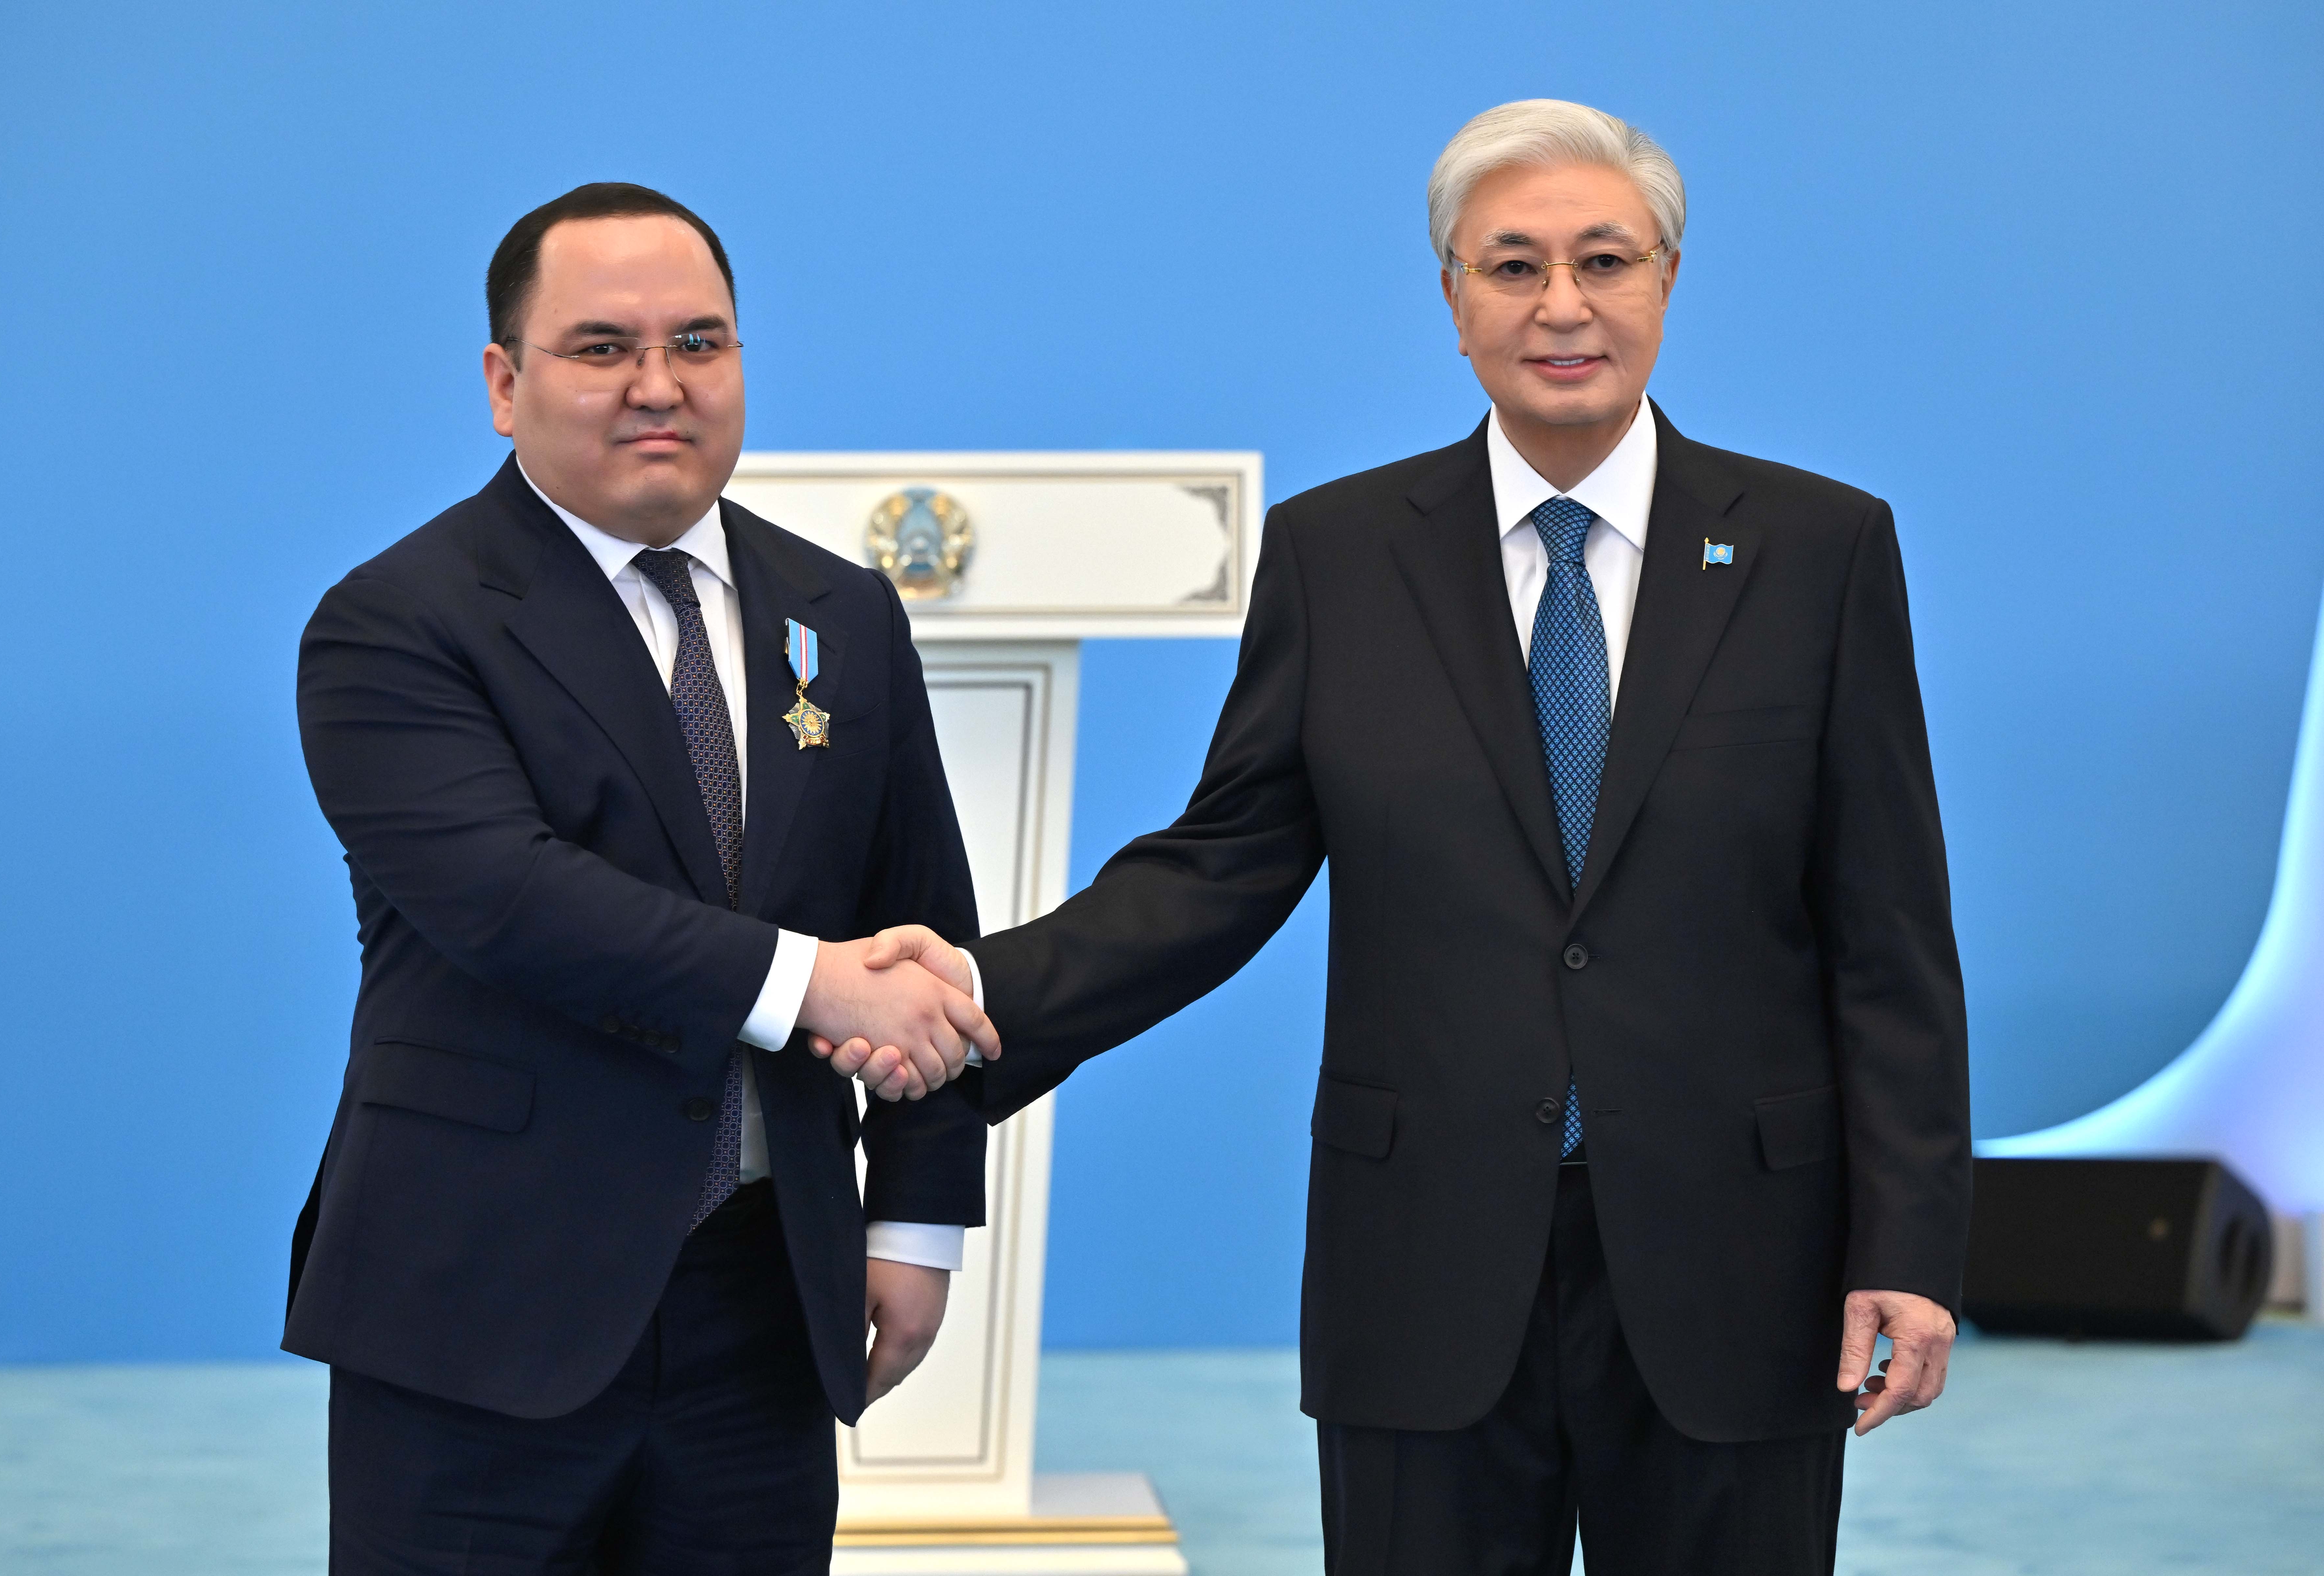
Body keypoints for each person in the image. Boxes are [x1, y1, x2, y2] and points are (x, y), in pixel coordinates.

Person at [822, 101, 1971, 1574]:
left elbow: (1888, 932)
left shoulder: (1818, 549)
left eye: (1603, 260)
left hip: (1739, 1262)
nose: (1561, 305)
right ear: (1451, 297)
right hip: (1423, 1260)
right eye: (1512, 265)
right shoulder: (1341, 554)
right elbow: (1222, 865)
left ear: (1668, 278)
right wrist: (972, 998)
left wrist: (1906, 1245)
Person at [289, 182, 998, 1574]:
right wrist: (810, 983)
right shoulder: (395, 621)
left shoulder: (843, 613)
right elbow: (509, 898)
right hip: (479, 1311)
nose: (658, 385)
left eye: (699, 343)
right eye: (603, 347)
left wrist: (919, 1217)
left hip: (763, 1303)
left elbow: (924, 928)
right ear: (505, 384)